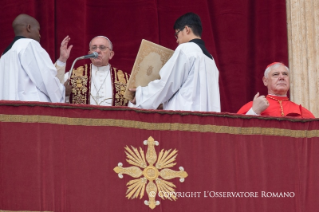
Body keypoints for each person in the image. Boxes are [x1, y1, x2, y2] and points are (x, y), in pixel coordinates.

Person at [129, 12, 220, 112]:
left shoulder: (186, 49)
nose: (177, 40)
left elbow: (167, 84)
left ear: (186, 29)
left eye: (176, 34)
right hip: (207, 121)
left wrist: (142, 95)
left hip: (185, 120)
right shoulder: (211, 59)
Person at [0, 14, 72, 103]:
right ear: (29, 28)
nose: (40, 35)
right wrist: (63, 91)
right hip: (31, 109)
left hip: (8, 111)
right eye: (38, 30)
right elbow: (46, 78)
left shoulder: (5, 54)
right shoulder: (29, 45)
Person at [64, 36, 129, 106]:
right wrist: (65, 94)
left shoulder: (126, 80)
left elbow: (132, 109)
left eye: (102, 47)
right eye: (94, 48)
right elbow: (57, 100)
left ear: (111, 54)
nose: (97, 51)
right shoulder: (71, 76)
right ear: (89, 54)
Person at [237, 62, 315, 118]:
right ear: (265, 81)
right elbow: (236, 136)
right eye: (275, 74)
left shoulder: (302, 112)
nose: (281, 77)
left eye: (285, 74)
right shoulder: (252, 106)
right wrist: (254, 111)